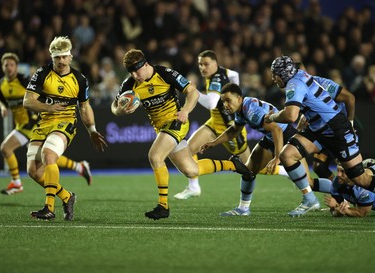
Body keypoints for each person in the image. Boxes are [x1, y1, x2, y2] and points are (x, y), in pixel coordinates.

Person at [111, 49, 252, 220]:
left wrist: (185, 111)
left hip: (176, 122)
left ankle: (163, 206)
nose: (135, 75)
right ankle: (232, 165)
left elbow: (192, 92)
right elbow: (114, 107)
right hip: (162, 129)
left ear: (146, 64)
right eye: (131, 72)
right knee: (191, 170)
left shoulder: (165, 74)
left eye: (137, 70)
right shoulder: (129, 84)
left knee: (155, 157)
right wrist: (121, 109)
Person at [264, 55, 375, 217]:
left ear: (283, 74)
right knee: (287, 155)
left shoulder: (294, 84)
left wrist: (272, 117)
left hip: (336, 130)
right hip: (320, 130)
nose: (273, 78)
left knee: (360, 180)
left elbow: (290, 116)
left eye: (275, 74)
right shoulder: (307, 77)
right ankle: (309, 199)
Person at [200, 83, 331, 216]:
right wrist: (214, 142)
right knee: (248, 171)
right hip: (272, 138)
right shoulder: (242, 110)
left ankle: (341, 192)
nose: (225, 105)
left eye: (228, 100)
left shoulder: (251, 110)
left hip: (286, 137)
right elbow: (234, 130)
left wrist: (278, 157)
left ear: (239, 98)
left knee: (309, 183)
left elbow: (277, 129)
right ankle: (243, 208)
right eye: (223, 101)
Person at [23, 36, 107, 221]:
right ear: (52, 57)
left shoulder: (79, 79)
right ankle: (67, 197)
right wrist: (48, 108)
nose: (61, 61)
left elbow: (84, 107)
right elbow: (27, 101)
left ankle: (49, 208)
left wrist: (92, 130)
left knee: (48, 154)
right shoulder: (42, 73)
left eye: (64, 57)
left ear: (70, 57)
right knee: (33, 171)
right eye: (57, 57)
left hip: (66, 122)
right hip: (44, 122)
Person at [0, 52, 94, 196]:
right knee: (46, 157)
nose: (9, 68)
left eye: (12, 65)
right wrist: (3, 107)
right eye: (6, 65)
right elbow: (2, 99)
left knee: (13, 150)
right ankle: (78, 168)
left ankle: (17, 183)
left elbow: (35, 97)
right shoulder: (2, 84)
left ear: (17, 67)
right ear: (2, 67)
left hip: (33, 124)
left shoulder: (24, 81)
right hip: (21, 126)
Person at [173, 50, 251, 200]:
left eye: (206, 64)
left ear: (215, 63)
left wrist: (194, 91)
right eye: (200, 64)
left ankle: (287, 172)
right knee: (189, 150)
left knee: (252, 166)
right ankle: (193, 187)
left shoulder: (216, 79)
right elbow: (234, 74)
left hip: (229, 128)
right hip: (214, 123)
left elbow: (210, 103)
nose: (202, 68)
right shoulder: (223, 72)